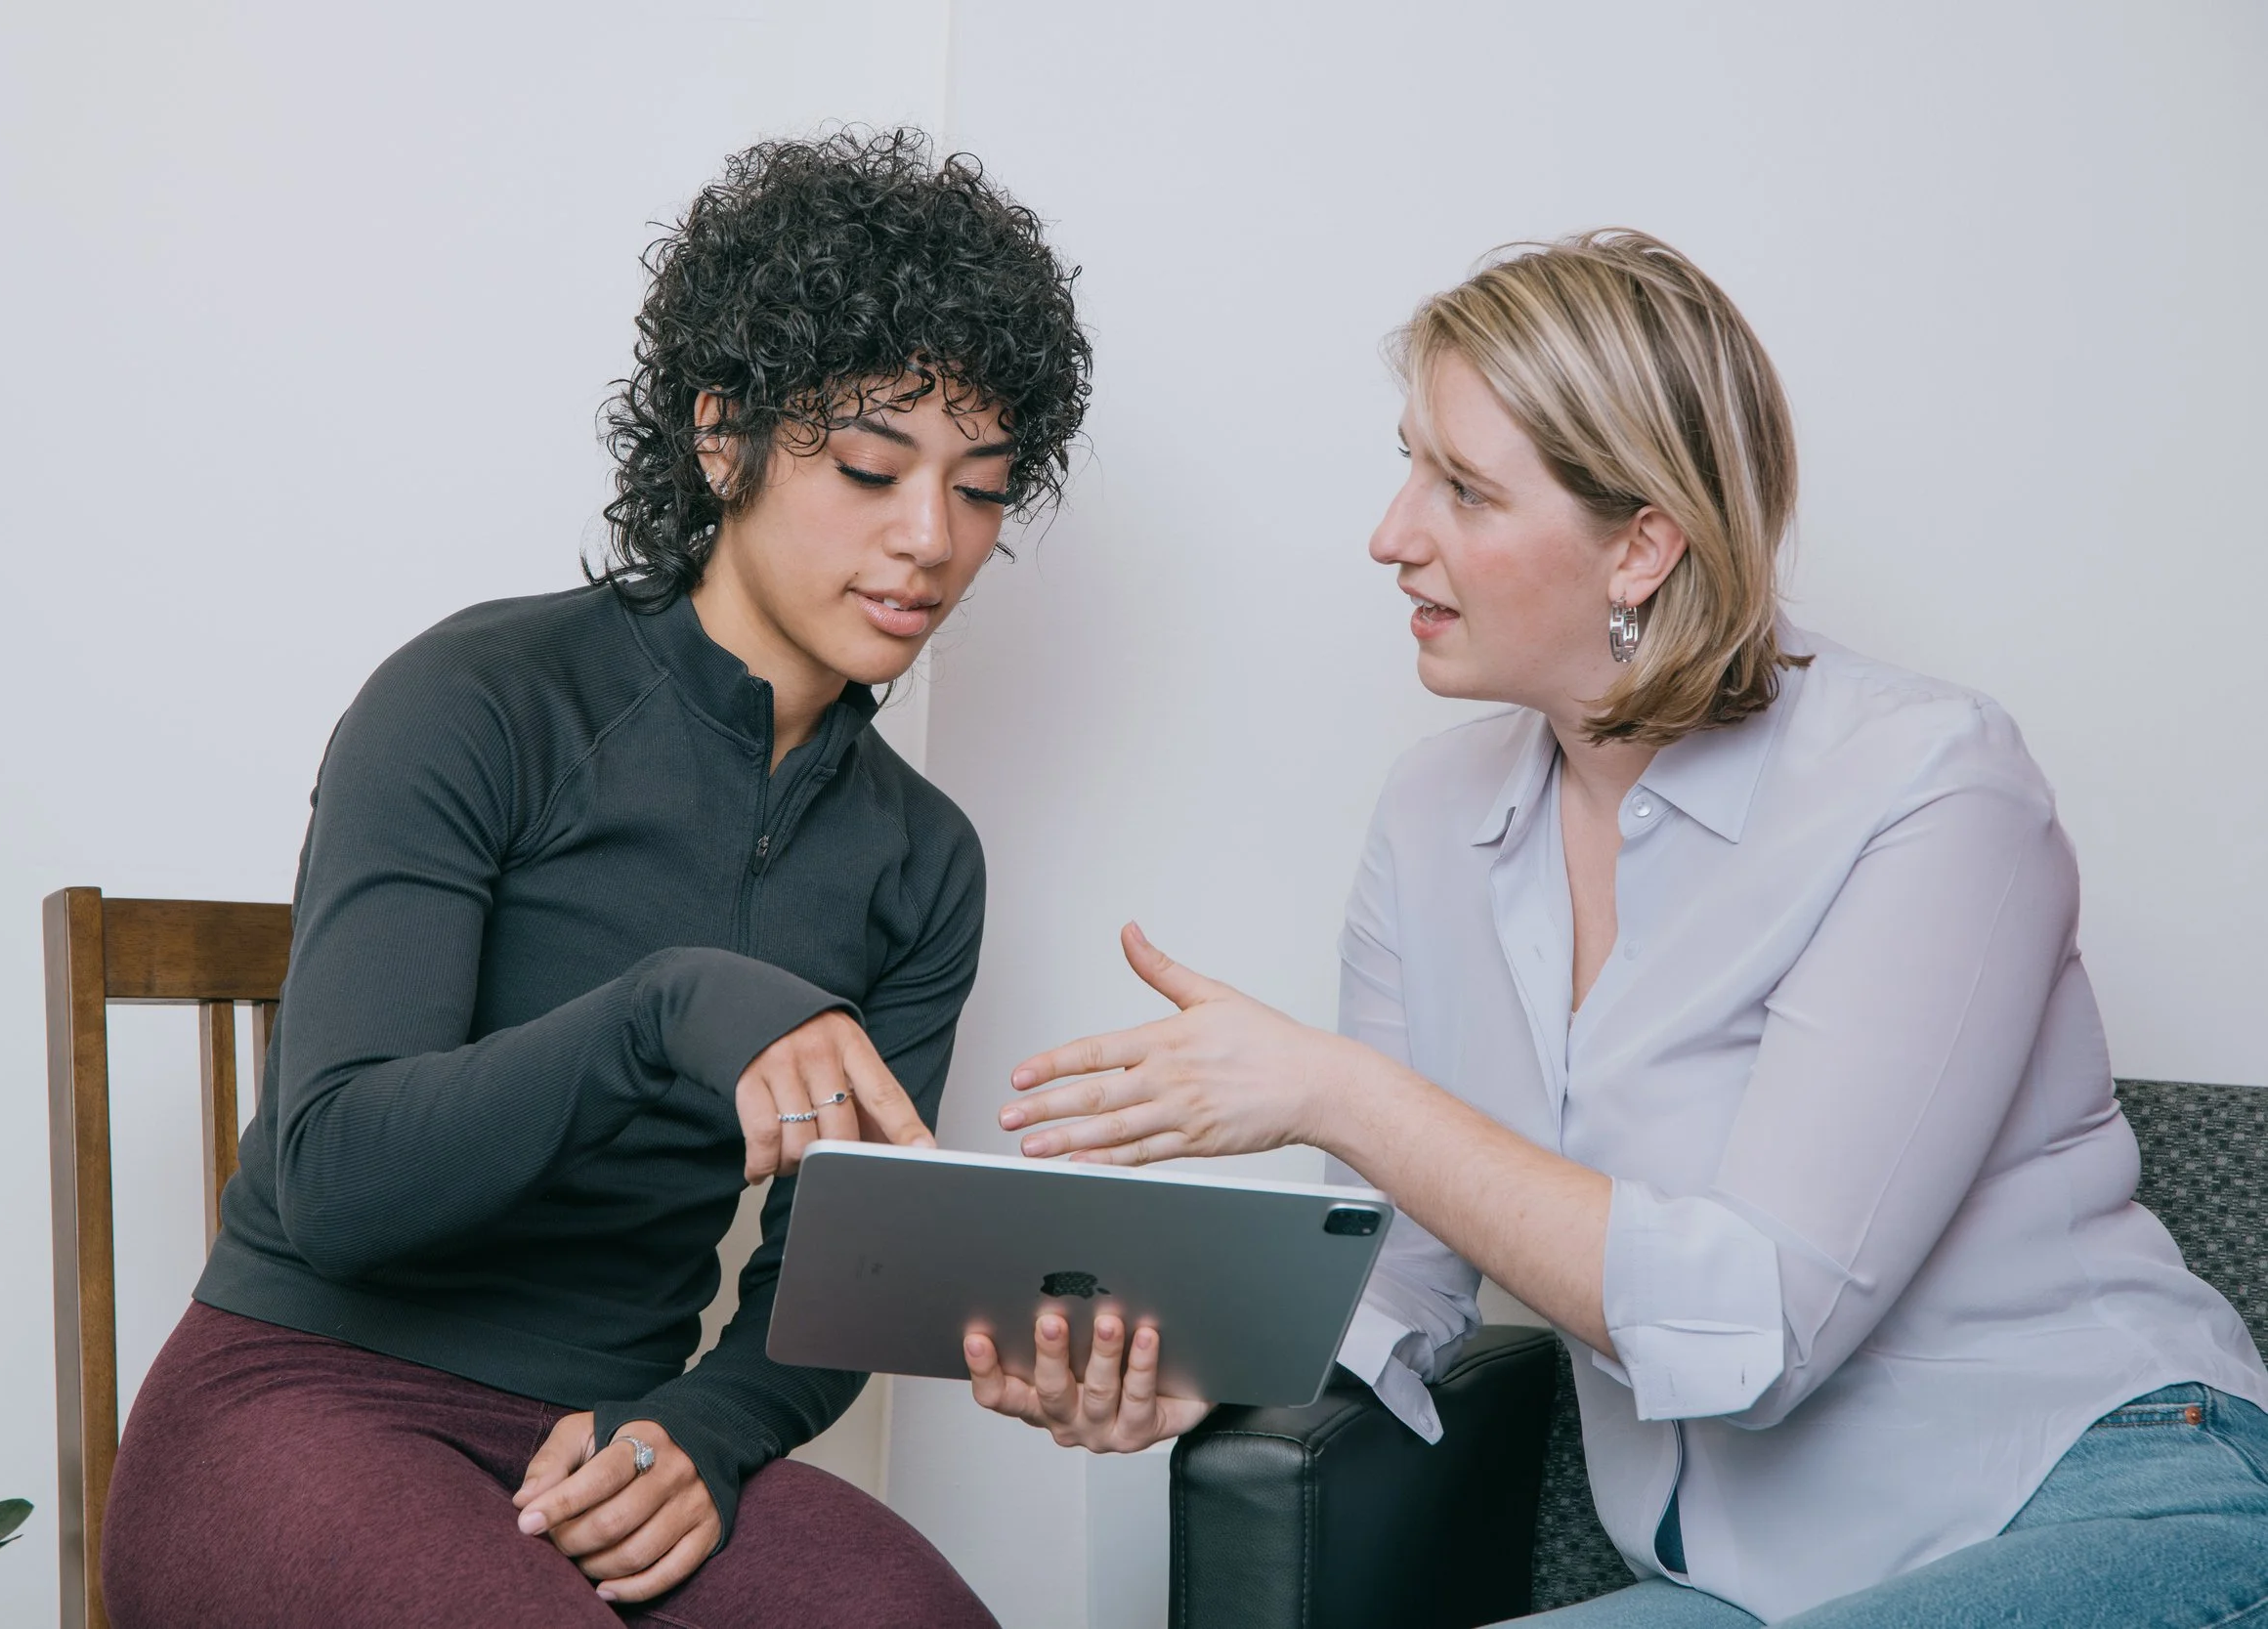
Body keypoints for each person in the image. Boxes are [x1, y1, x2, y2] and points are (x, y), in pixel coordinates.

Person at [965, 231, 2268, 1625]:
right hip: (1742, 1587)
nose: (1392, 531)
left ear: (1643, 543)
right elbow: (1410, 1272)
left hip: (2101, 1500)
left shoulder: (1933, 786)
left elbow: (1758, 1328)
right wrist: (1204, 1363)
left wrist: (1329, 1088)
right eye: (1410, 463)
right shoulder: (1432, 820)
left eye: (1462, 487)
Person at [102, 127, 1089, 1629]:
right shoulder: (478, 699)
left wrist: (700, 1430)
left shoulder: (920, 859)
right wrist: (671, 1011)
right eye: (876, 467)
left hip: (600, 1441)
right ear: (721, 433)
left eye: (982, 488)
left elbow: (832, 1279)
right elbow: (345, 1183)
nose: (928, 540)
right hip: (303, 1398)